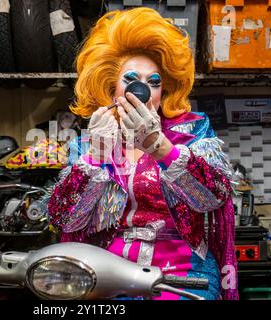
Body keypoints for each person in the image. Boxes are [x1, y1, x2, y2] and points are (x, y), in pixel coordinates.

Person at [47, 7, 238, 300]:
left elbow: (213, 197)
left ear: (165, 90)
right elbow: (67, 219)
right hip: (109, 273)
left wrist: (159, 146)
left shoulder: (192, 133)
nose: (144, 90)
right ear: (112, 86)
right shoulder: (89, 144)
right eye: (132, 80)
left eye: (154, 82)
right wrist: (96, 156)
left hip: (185, 274)